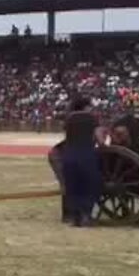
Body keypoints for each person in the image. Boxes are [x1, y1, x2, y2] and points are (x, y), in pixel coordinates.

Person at [61, 97, 101, 227]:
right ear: (85, 107)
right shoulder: (92, 118)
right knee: (88, 185)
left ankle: (74, 217)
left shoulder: (69, 118)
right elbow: (99, 137)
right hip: (86, 155)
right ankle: (86, 216)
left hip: (69, 155)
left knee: (73, 187)